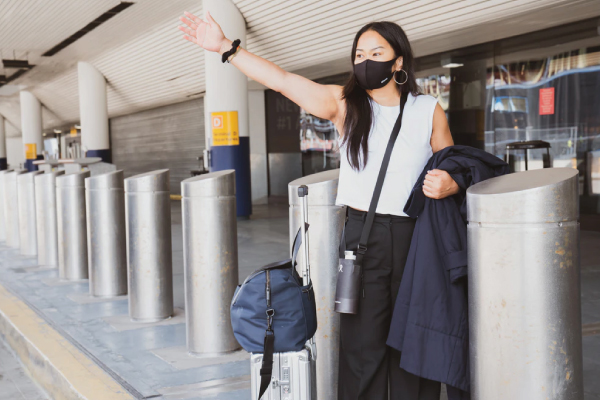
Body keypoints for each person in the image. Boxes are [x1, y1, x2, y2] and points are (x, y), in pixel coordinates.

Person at [179, 11, 460, 400]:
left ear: (398, 61)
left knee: (416, 344)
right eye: (359, 54)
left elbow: (452, 165)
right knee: (364, 350)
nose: (365, 61)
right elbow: (281, 80)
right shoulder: (344, 103)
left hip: (418, 237)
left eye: (376, 52)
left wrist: (450, 183)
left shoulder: (428, 109)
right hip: (365, 236)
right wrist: (227, 48)